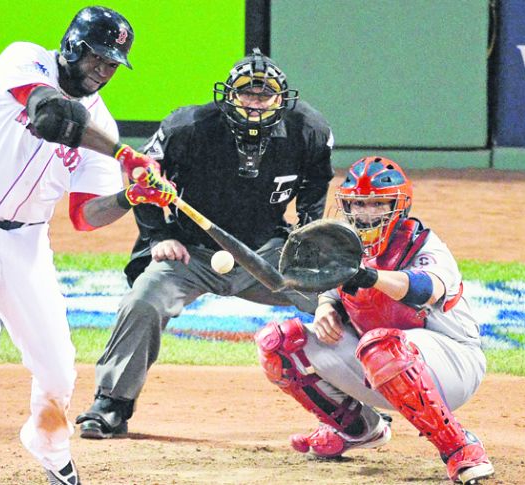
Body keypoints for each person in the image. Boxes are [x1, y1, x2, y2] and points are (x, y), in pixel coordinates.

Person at [0, 6, 177, 485]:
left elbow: (84, 215)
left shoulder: (105, 124)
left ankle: (46, 439)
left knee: (58, 369)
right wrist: (125, 155)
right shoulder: (25, 59)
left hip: (26, 243)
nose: (104, 71)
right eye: (98, 58)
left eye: (113, 64)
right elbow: (51, 114)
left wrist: (130, 195)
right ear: (73, 46)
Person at [75, 47, 336, 439]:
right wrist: (158, 235)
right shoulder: (188, 127)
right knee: (143, 299)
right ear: (229, 95)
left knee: (336, 301)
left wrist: (308, 234)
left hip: (264, 251)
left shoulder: (309, 129)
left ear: (281, 100)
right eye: (247, 93)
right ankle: (111, 404)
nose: (254, 103)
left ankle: (355, 406)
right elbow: (143, 180)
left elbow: (316, 184)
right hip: (190, 250)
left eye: (264, 95)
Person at [254, 156, 495, 484]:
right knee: (279, 343)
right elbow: (337, 291)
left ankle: (460, 448)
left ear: (398, 206)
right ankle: (358, 428)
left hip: (453, 365)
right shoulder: (348, 245)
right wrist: (327, 307)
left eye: (378, 204)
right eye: (359, 204)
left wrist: (370, 276)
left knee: (382, 344)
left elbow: (425, 289)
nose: (367, 214)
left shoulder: (425, 246)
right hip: (382, 363)